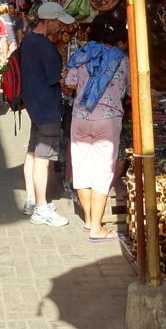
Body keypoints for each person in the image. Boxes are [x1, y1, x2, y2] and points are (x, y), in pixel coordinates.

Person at [64, 14, 129, 241]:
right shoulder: (121, 59)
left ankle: (90, 221)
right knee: (102, 171)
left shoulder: (81, 55)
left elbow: (70, 83)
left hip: (81, 116)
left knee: (81, 169)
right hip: (108, 118)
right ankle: (96, 228)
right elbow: (128, 89)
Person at [19, 1, 75, 226]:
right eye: (59, 23)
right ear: (48, 21)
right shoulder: (45, 46)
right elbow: (58, 79)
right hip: (47, 107)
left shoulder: (28, 41)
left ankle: (32, 200)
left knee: (33, 151)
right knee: (44, 158)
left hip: (33, 104)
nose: (61, 27)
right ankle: (41, 208)